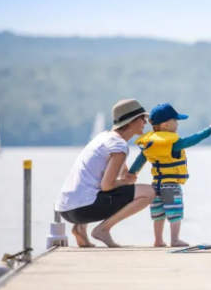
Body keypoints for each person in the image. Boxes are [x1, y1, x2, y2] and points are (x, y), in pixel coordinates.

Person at [55, 99, 155, 248]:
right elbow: (107, 185)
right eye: (142, 118)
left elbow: (118, 172)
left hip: (65, 209)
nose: (145, 122)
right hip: (82, 209)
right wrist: (126, 182)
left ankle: (80, 228)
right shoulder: (119, 145)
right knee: (149, 192)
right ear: (130, 122)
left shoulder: (104, 137)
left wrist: (126, 177)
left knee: (91, 186)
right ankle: (103, 229)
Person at [129, 103, 211, 247]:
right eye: (175, 121)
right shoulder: (173, 144)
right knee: (175, 213)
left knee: (158, 214)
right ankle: (175, 239)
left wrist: (131, 174)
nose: (177, 124)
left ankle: (158, 240)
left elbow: (139, 161)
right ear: (165, 125)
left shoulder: (149, 144)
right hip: (171, 185)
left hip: (155, 185)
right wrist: (208, 130)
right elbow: (193, 140)